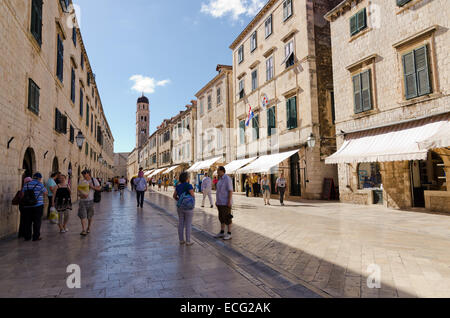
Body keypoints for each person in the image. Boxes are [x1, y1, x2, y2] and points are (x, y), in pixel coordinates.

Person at [21, 173, 48, 241]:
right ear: (39, 178)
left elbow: (23, 194)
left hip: (27, 206)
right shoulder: (40, 184)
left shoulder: (26, 184)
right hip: (38, 205)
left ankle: (27, 237)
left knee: (27, 222)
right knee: (37, 221)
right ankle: (36, 237)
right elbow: (46, 192)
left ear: (33, 177)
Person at [173, 172, 195, 246]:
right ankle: (188, 241)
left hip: (180, 207)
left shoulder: (178, 186)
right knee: (188, 224)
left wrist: (179, 200)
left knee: (181, 223)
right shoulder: (189, 185)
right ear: (186, 178)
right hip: (188, 207)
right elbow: (192, 195)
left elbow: (174, 196)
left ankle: (181, 240)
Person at [77, 170, 101, 236]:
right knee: (83, 215)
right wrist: (82, 195)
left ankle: (89, 227)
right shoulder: (81, 181)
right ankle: (83, 230)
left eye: (85, 173)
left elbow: (99, 188)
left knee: (89, 216)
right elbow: (78, 191)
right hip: (82, 201)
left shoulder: (94, 180)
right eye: (83, 174)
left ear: (89, 174)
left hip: (91, 200)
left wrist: (91, 186)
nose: (84, 175)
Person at [214, 166, 233, 241]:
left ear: (222, 171)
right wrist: (217, 201)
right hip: (220, 202)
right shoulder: (220, 179)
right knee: (221, 217)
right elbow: (219, 191)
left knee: (227, 218)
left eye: (218, 171)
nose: (217, 172)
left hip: (225, 202)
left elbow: (230, 190)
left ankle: (229, 233)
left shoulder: (227, 179)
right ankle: (222, 232)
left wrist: (229, 201)